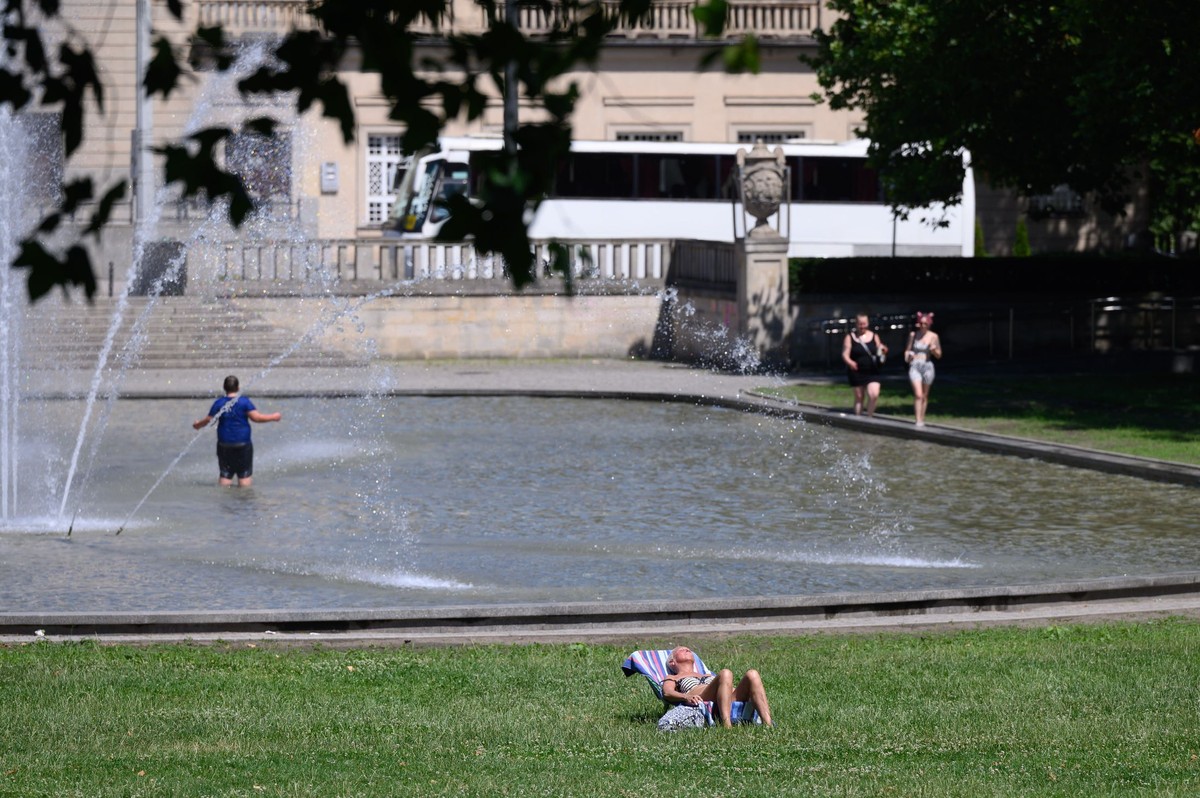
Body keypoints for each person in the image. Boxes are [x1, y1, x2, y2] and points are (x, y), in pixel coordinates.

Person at [192, 375, 282, 487]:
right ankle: (243, 503)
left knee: (225, 476)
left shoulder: (219, 403)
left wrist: (197, 425)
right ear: (238, 387)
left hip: (224, 444)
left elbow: (210, 420)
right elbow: (256, 418)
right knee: (244, 477)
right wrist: (273, 417)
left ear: (224, 388)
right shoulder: (244, 402)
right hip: (243, 444)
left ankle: (224, 503)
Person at [660, 645, 774, 728]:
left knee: (752, 674)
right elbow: (667, 693)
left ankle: (768, 725)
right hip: (703, 698)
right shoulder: (673, 677)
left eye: (688, 649)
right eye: (681, 650)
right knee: (726, 673)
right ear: (672, 662)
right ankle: (726, 725)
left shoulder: (706, 674)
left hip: (728, 698)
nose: (687, 649)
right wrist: (686, 697)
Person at [841, 313, 888, 418]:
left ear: (868, 323)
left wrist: (883, 349)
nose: (862, 326)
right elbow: (845, 354)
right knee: (859, 396)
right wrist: (850, 362)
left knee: (874, 394)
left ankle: (869, 418)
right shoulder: (850, 337)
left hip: (872, 370)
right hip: (856, 370)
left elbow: (879, 348)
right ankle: (858, 418)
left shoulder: (874, 336)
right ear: (856, 324)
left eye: (864, 324)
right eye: (860, 324)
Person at [903, 311, 942, 427]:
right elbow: (907, 350)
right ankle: (917, 420)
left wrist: (934, 349)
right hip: (915, 365)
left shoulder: (934, 336)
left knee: (925, 395)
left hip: (927, 366)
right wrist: (908, 356)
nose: (923, 325)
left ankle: (921, 418)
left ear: (929, 324)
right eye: (921, 323)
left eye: (925, 323)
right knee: (918, 394)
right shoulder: (913, 335)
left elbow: (939, 355)